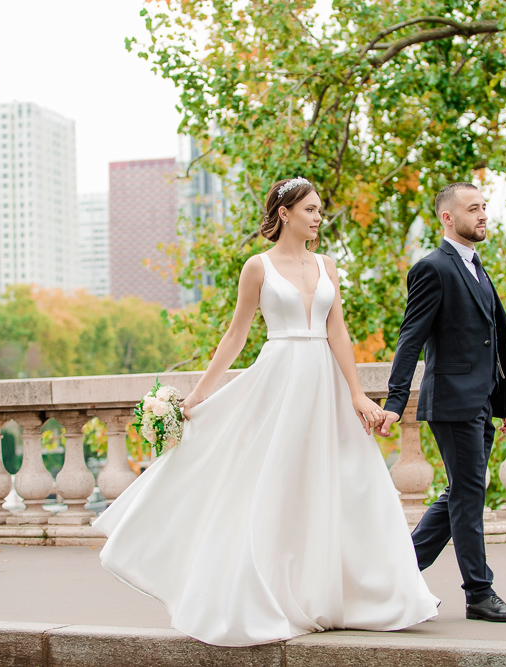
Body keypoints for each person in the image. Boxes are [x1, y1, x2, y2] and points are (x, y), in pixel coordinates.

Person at [93, 177, 439, 647]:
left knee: (342, 480)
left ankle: (349, 595)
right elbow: (236, 335)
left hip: (325, 382)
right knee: (275, 483)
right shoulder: (257, 267)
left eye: (320, 210)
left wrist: (357, 394)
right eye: (310, 209)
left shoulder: (328, 265)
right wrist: (198, 395)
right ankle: (271, 594)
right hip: (280, 377)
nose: (318, 218)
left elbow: (338, 331)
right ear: (284, 213)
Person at [377, 182, 506, 622]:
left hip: (480, 401)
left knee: (462, 493)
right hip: (452, 401)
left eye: (484, 207)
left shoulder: (476, 266)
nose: (482, 215)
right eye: (472, 208)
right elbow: (411, 338)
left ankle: (393, 574)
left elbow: (491, 340)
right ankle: (479, 593)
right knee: (467, 496)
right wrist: (395, 400)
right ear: (447, 217)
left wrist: (505, 400)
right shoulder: (433, 268)